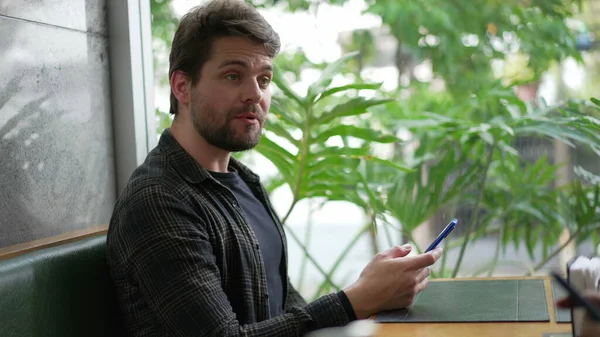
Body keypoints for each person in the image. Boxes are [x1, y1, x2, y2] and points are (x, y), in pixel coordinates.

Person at [106, 0, 443, 336]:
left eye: (264, 79)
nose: (255, 94)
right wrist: (353, 301)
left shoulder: (243, 182)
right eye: (233, 75)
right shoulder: (158, 199)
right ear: (182, 86)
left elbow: (285, 309)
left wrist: (372, 293)